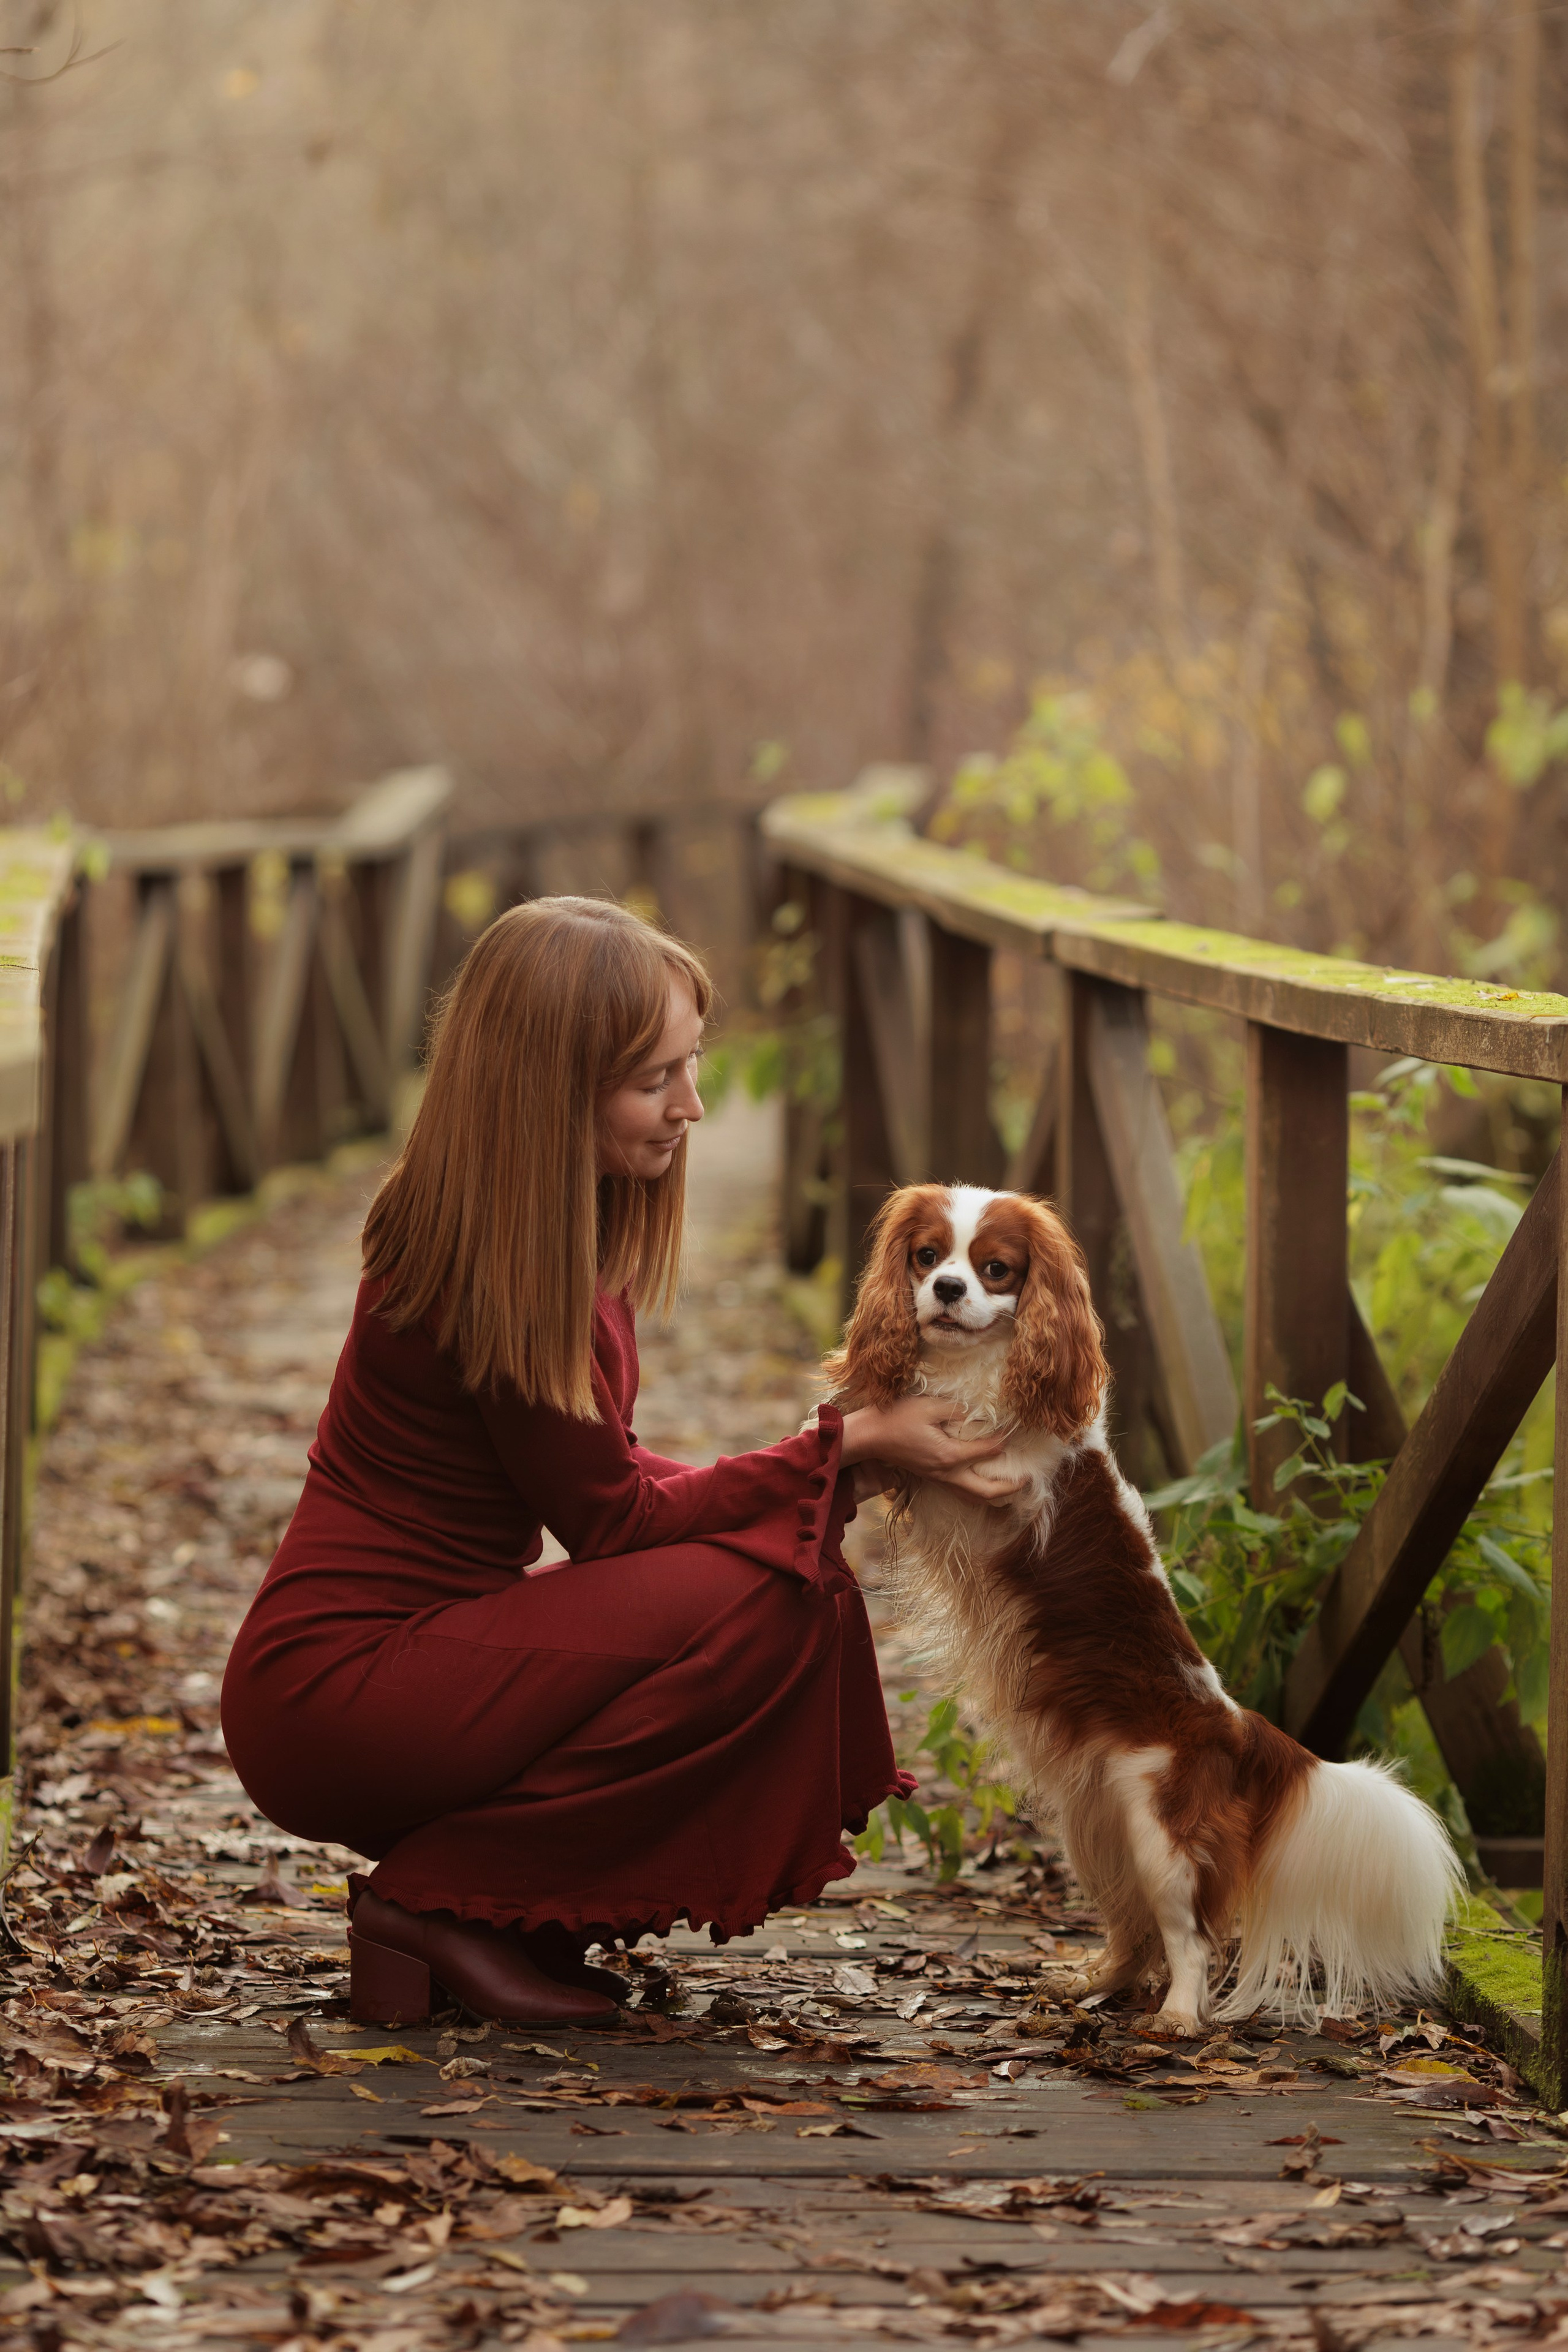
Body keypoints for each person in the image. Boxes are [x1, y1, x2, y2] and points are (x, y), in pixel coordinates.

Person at [221, 897, 1011, 2026]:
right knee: (768, 1590)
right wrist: (846, 1447)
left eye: (692, 1067)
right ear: (550, 1090)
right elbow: (621, 1521)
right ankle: (447, 1910)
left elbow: (609, 1474)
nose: (693, 1107)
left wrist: (843, 1462)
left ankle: (484, 1906)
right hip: (344, 1691)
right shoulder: (493, 1272)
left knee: (773, 1567)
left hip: (377, 1668)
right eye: (656, 1081)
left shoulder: (495, 1228)